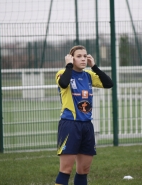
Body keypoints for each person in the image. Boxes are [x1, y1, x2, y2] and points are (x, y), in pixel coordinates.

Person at [54, 45, 113, 185]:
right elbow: (63, 84)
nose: (83, 59)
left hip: (87, 126)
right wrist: (68, 66)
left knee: (84, 169)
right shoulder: (62, 73)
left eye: (85, 56)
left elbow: (109, 83)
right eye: (79, 56)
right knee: (66, 169)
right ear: (71, 58)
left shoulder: (89, 75)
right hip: (70, 125)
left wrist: (95, 67)